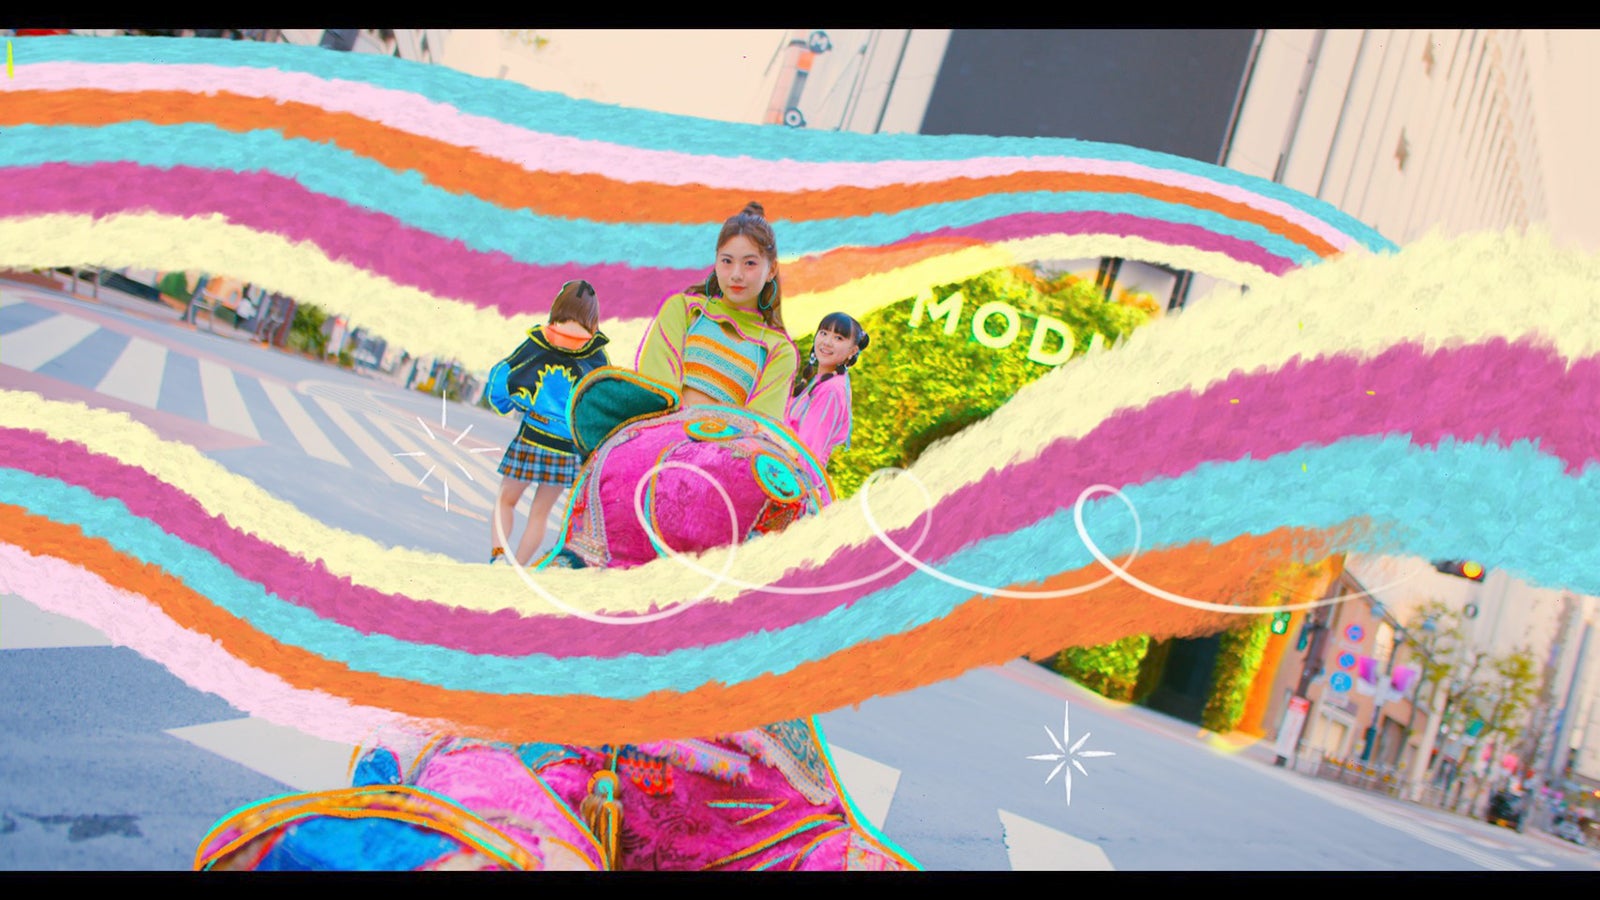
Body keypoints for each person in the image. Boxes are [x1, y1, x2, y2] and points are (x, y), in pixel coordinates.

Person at [194, 205, 917, 873]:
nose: (735, 273)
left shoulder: (778, 350)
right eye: (726, 259)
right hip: (648, 471)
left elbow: (761, 431)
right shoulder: (684, 312)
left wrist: (729, 465)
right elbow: (652, 399)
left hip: (731, 498)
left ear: (769, 271)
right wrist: (673, 445)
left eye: (749, 263)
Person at [484, 279, 610, 566]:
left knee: (506, 500)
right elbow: (601, 397)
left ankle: (498, 557)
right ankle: (518, 569)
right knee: (539, 515)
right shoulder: (597, 354)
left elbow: (504, 374)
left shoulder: (540, 340)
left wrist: (506, 403)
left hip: (532, 436)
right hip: (566, 447)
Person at [785, 311, 869, 471]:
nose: (827, 342)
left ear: (852, 351)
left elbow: (809, 449)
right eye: (824, 333)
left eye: (839, 338)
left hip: (790, 474)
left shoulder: (832, 390)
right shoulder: (825, 380)